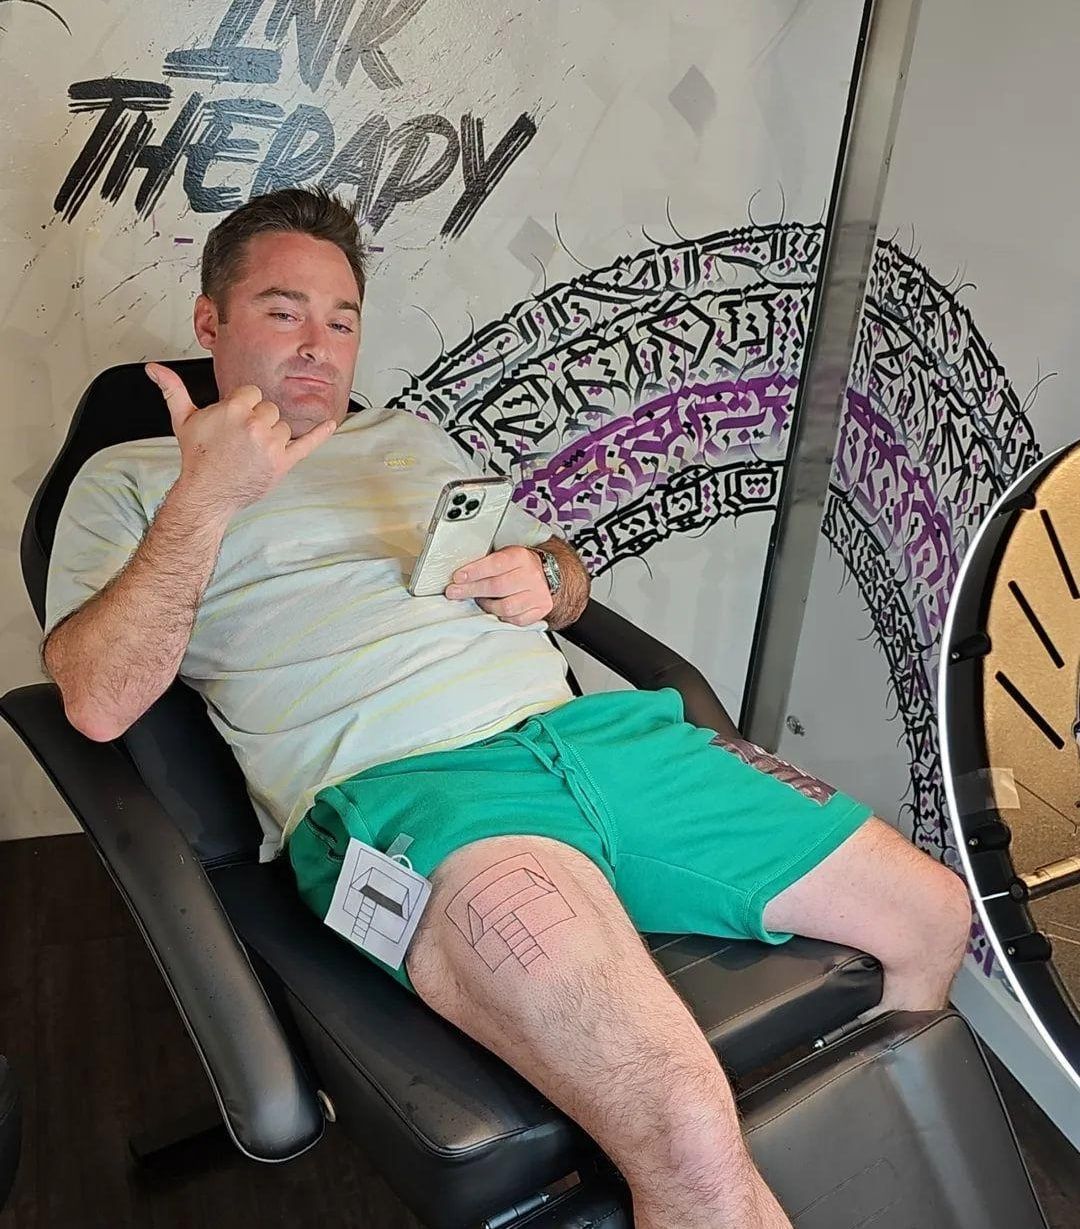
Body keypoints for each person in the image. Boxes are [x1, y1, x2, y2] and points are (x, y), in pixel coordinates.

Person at [41, 188, 972, 1229]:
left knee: (932, 912)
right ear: (210, 322)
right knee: (684, 1128)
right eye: (282, 310)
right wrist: (207, 496)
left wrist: (545, 576)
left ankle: (832, 1164)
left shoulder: (408, 439)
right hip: (419, 799)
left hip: (602, 743)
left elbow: (563, 569)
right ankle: (700, 1176)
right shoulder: (133, 481)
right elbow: (95, 698)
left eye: (342, 319)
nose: (318, 345)